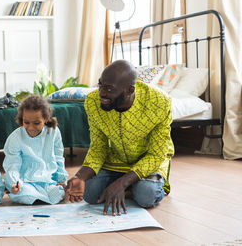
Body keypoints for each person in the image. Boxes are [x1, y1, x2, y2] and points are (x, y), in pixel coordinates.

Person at [65, 60, 174, 216]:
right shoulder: (92, 102)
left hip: (148, 162)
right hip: (115, 161)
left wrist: (121, 183)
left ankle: (136, 185)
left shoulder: (159, 102)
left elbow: (157, 154)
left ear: (129, 90)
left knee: (146, 196)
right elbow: (98, 147)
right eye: (100, 85)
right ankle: (128, 187)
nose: (101, 93)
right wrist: (80, 176)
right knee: (89, 194)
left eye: (109, 89)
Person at [3, 95, 68, 205]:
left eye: (36, 123)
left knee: (58, 193)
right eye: (26, 122)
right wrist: (14, 183)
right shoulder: (15, 137)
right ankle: (36, 197)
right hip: (25, 182)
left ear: (45, 119)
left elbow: (58, 157)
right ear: (21, 119)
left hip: (48, 181)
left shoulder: (54, 132)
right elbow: (12, 164)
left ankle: (41, 197)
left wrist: (61, 180)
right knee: (25, 193)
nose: (31, 127)